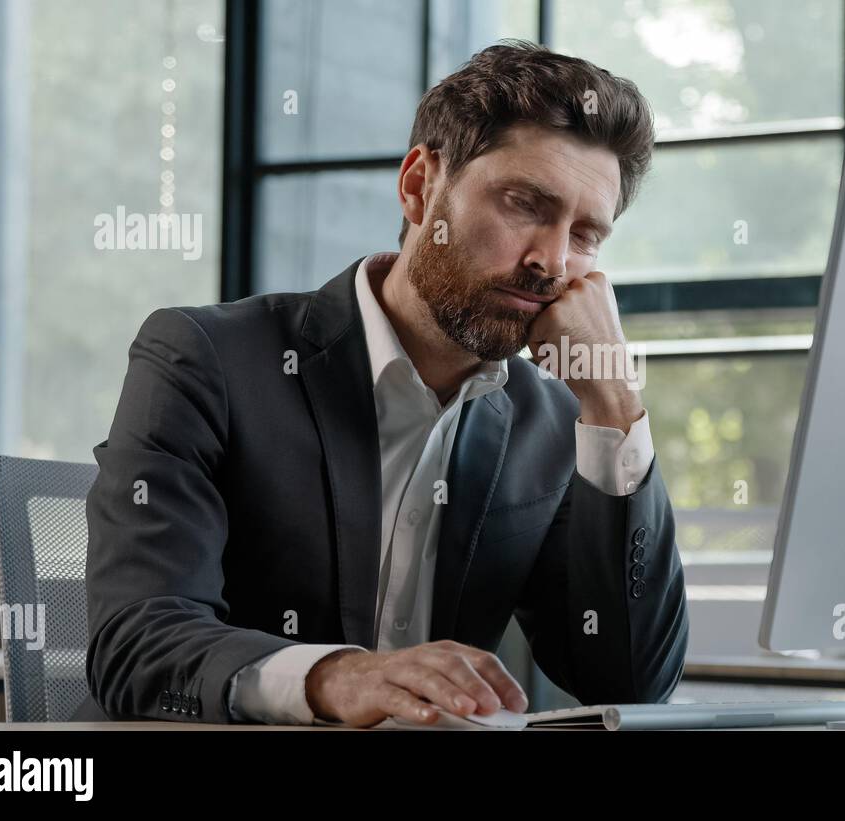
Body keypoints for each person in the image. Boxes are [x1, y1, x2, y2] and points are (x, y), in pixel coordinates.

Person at [79, 39, 689, 727]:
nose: (550, 261)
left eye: (585, 235)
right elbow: (137, 639)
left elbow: (631, 680)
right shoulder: (207, 358)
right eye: (525, 204)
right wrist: (339, 677)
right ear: (419, 187)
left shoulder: (548, 419)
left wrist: (613, 402)